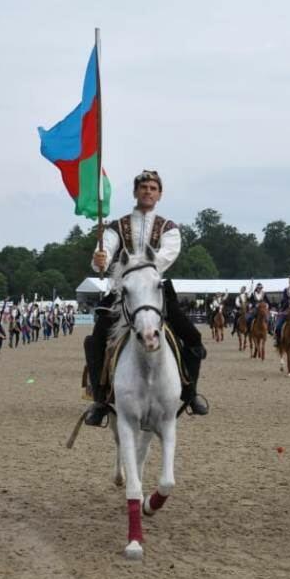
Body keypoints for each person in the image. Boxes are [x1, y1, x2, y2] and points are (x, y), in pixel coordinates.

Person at [82, 169, 209, 427]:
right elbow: (103, 252)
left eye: (153, 188)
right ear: (135, 192)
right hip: (122, 294)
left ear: (159, 194)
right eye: (143, 187)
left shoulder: (169, 228)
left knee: (193, 337)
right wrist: (99, 259)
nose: (148, 191)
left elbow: (165, 257)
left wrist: (135, 267)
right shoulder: (116, 226)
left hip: (155, 291)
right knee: (95, 340)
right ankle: (100, 399)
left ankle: (190, 392)